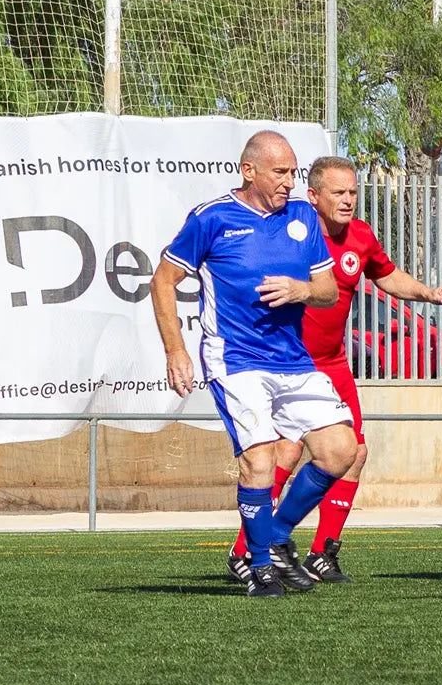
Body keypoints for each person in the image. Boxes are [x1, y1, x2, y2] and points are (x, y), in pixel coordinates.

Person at [226, 155, 442, 585]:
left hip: (333, 363)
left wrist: (427, 293)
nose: (349, 200)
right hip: (288, 361)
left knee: (354, 453)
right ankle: (247, 551)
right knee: (287, 452)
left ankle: (321, 552)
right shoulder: (290, 232)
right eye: (339, 192)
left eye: (353, 192)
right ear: (313, 196)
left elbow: (386, 277)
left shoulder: (361, 236)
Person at [150, 130, 360, 599]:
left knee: (342, 452)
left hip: (293, 359)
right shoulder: (212, 218)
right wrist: (175, 350)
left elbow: (327, 291)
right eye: (280, 172)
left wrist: (302, 289)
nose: (290, 182)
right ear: (250, 171)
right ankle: (260, 564)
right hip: (237, 359)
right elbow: (162, 282)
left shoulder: (304, 217)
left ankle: (274, 536)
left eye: (293, 173)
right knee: (260, 460)